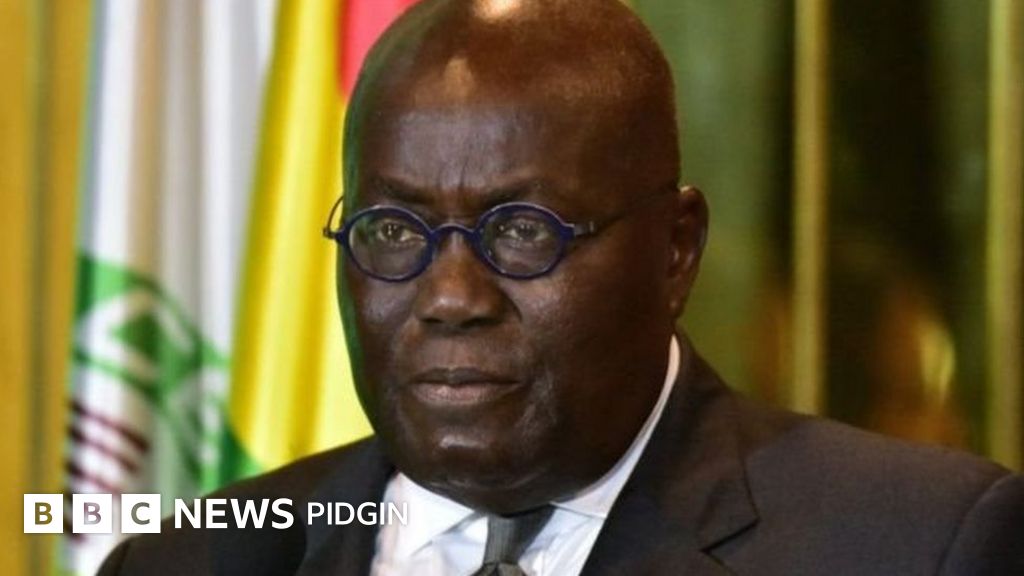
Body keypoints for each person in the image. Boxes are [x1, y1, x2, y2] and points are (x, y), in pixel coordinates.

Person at [98, 0, 1024, 574]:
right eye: (394, 232)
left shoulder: (917, 545)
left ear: (675, 251)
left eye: (520, 231)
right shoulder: (189, 560)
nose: (450, 297)